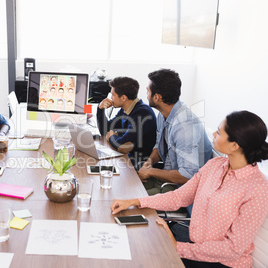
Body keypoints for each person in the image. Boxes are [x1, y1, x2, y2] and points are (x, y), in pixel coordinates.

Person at [111, 110, 268, 268]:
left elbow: (233, 249)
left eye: (219, 132)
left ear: (235, 145)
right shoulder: (215, 165)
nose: (213, 133)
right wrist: (134, 201)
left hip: (224, 263)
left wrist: (178, 247)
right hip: (195, 250)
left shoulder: (257, 188)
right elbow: (178, 197)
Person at [139, 69, 212, 195]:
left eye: (148, 90)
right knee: (125, 188)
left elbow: (187, 175)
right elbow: (159, 145)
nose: (146, 94)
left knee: (131, 200)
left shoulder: (185, 126)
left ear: (157, 97)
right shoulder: (163, 115)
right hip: (167, 176)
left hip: (181, 188)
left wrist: (151, 172)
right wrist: (148, 163)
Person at [97, 76, 157, 166]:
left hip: (139, 166)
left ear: (123, 98)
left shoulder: (142, 113)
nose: (111, 99)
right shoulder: (126, 109)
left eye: (113, 95)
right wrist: (100, 109)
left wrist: (112, 136)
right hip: (127, 160)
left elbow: (124, 147)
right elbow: (105, 130)